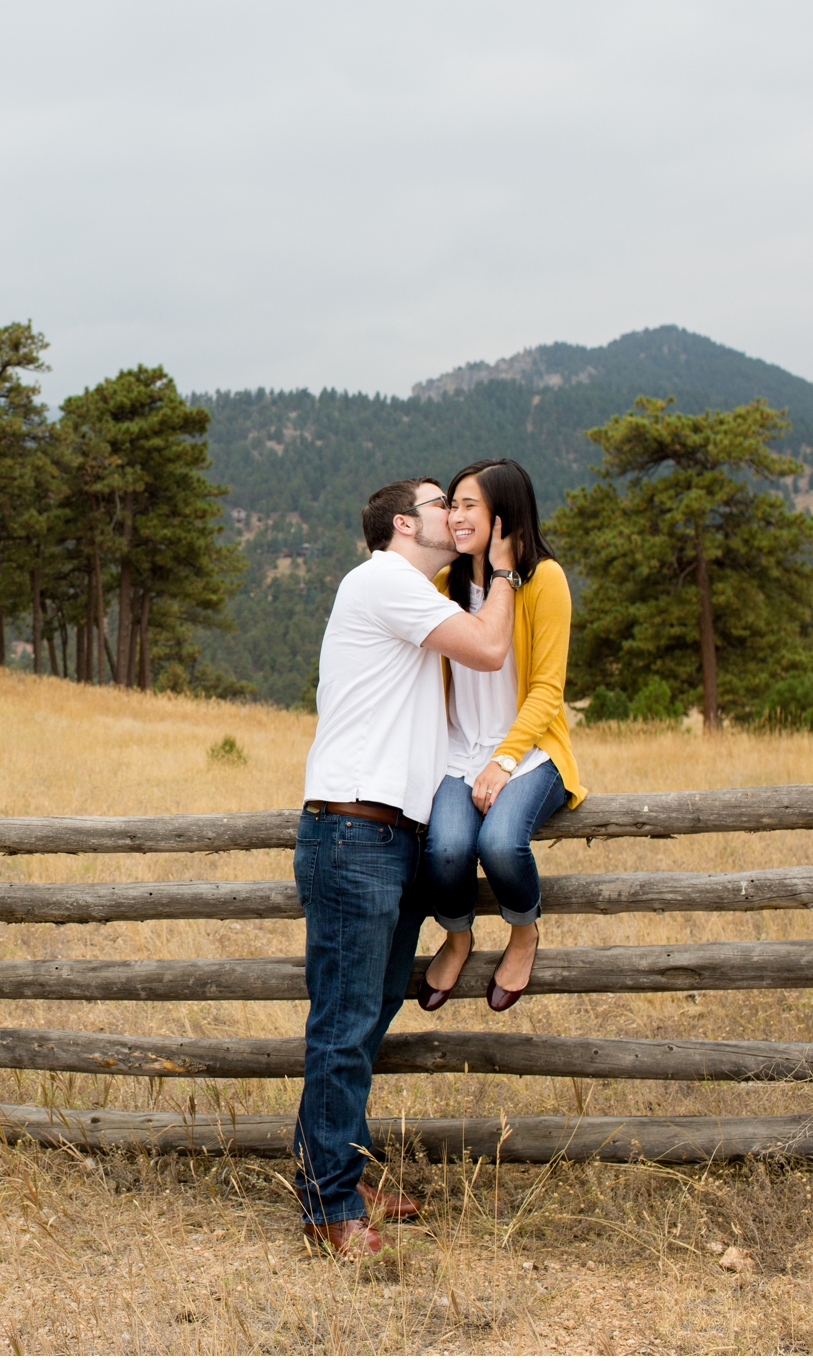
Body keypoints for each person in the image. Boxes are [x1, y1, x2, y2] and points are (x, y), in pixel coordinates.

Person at [293, 475, 518, 1261]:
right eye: (439, 506)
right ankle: (328, 1209)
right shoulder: (386, 579)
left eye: (462, 508)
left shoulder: (413, 598)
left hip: (387, 837)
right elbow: (490, 648)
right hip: (355, 832)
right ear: (401, 523)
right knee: (345, 1024)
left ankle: (341, 1179)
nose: (453, 517)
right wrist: (506, 566)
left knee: (367, 1011)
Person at [414, 458, 587, 1015]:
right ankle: (459, 936)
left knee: (500, 844)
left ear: (504, 516)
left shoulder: (547, 580)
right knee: (445, 849)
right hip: (460, 752)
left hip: (531, 753)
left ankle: (523, 933)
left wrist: (505, 760)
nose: (455, 517)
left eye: (469, 506)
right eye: (452, 505)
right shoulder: (446, 584)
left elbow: (547, 688)